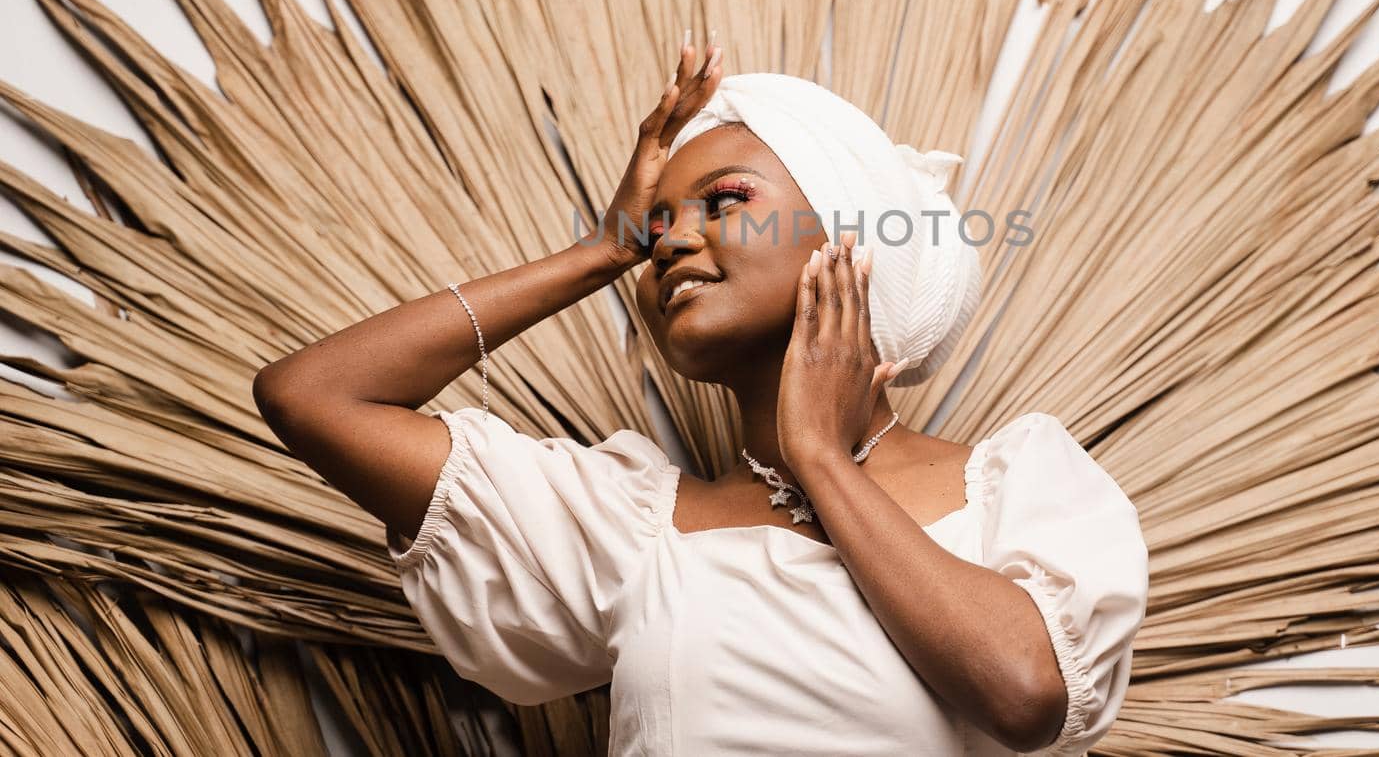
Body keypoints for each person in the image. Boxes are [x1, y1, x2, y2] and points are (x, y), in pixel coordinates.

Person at [253, 40, 1148, 755]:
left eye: (724, 200)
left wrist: (823, 461)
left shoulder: (1015, 483)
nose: (673, 241)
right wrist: (599, 251)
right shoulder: (633, 527)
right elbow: (313, 397)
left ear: (851, 236)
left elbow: (1027, 694)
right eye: (657, 229)